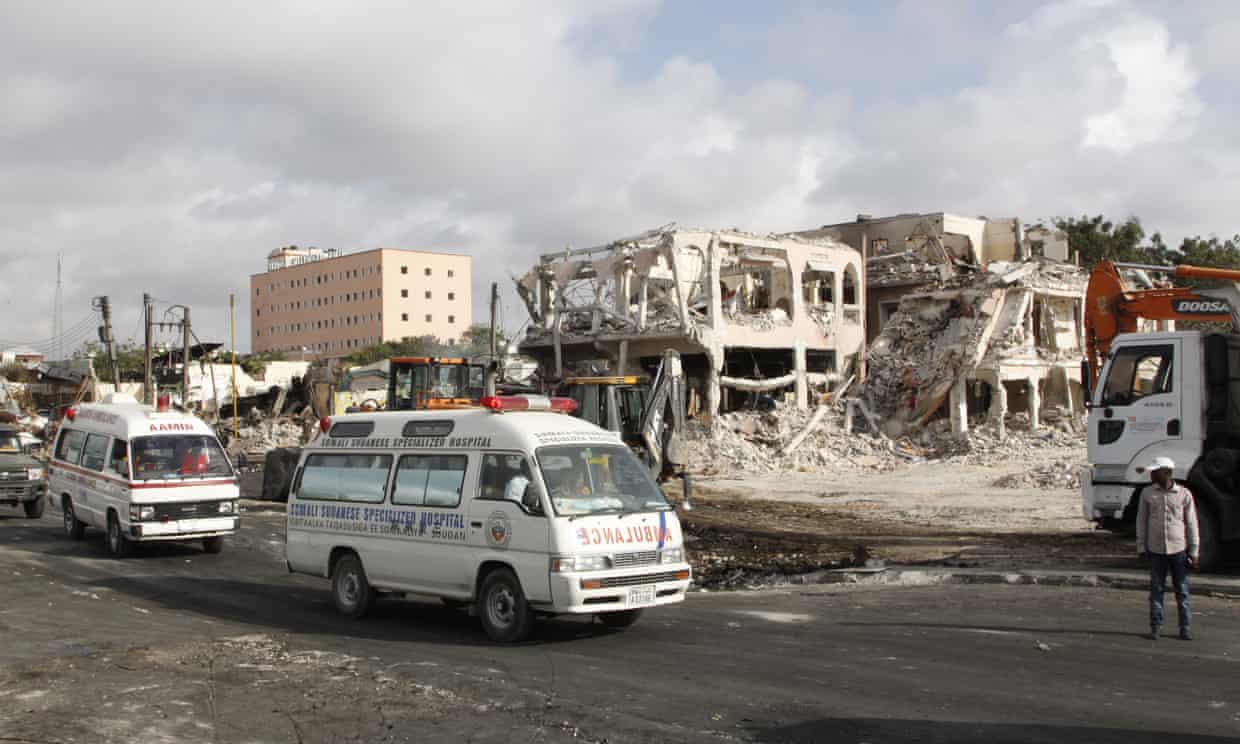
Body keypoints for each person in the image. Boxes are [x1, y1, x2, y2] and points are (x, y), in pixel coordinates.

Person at [1136, 456, 1199, 640]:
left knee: (1182, 590)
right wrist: (1141, 547)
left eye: (1155, 471)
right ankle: (1156, 626)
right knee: (1156, 589)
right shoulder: (1147, 494)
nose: (1152, 474)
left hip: (1178, 549)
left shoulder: (1184, 494)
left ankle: (1185, 627)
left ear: (1167, 472)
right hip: (1156, 550)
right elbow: (1142, 521)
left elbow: (1191, 523)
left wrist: (1194, 551)